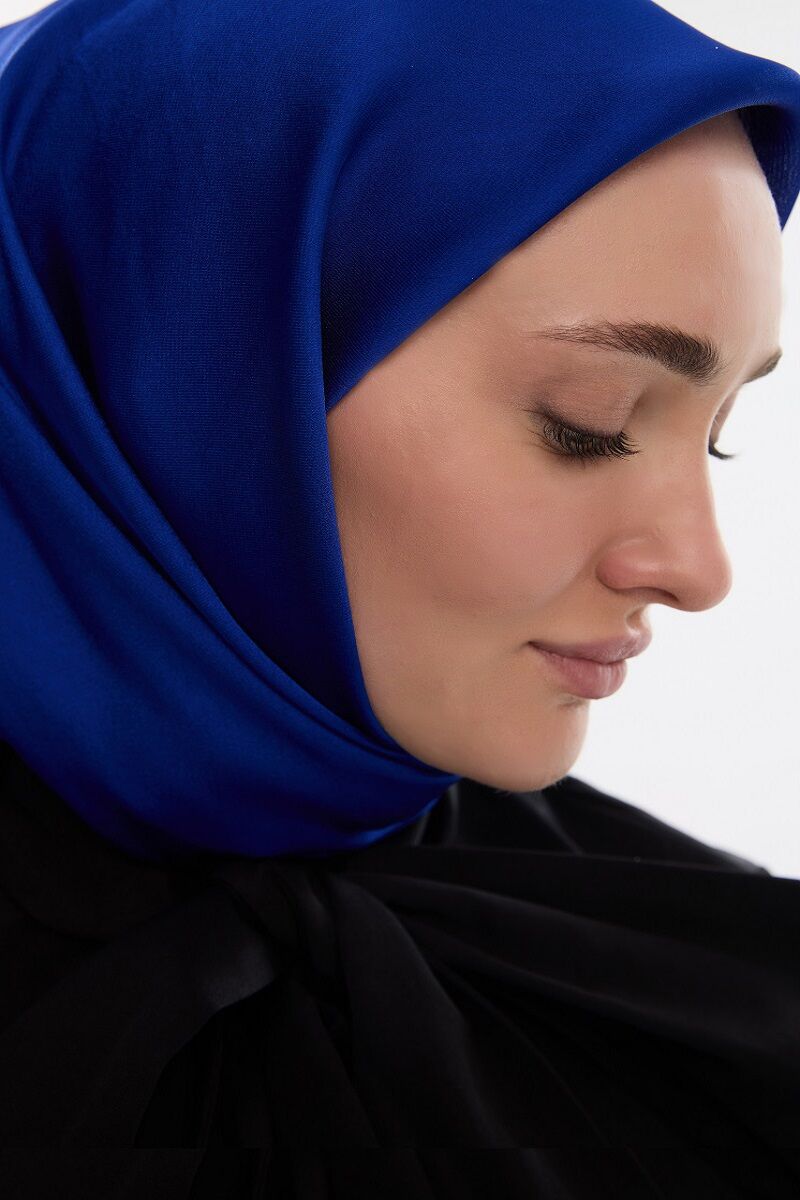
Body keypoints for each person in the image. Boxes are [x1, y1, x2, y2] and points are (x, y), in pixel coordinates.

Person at [0, 0, 799, 1195]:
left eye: (719, 434)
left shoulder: (723, 996)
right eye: (588, 422)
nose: (698, 569)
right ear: (183, 374)